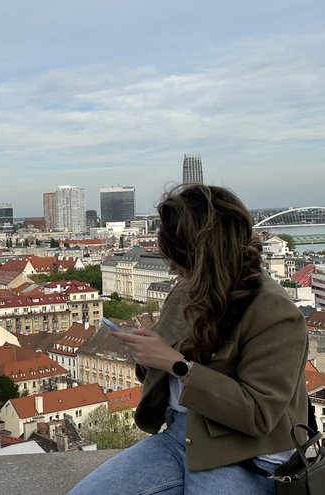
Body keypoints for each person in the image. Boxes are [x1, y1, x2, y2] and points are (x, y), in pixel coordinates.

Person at [69, 185, 308, 494]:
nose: (171, 266)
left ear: (200, 253)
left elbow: (259, 415)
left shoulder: (274, 311)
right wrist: (146, 354)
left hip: (245, 454)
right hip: (180, 435)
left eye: (176, 256)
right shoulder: (185, 292)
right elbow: (161, 370)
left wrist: (175, 364)